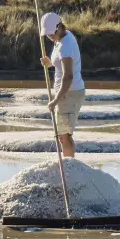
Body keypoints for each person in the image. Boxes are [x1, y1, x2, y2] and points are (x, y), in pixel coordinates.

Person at [38, 12, 85, 157]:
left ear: (59, 27)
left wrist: (55, 100)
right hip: (65, 93)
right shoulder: (62, 39)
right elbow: (62, 65)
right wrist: (50, 63)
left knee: (64, 135)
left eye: (51, 33)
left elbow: (68, 76)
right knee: (62, 134)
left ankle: (69, 166)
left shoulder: (66, 45)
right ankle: (68, 164)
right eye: (47, 34)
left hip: (69, 94)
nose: (50, 37)